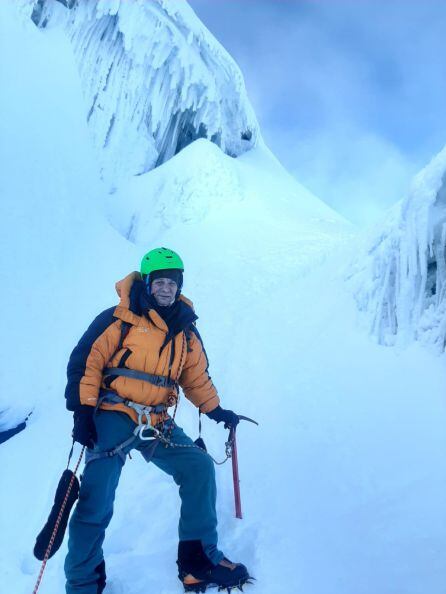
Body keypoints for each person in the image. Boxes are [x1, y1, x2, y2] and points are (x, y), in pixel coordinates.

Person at [64, 247, 250, 594]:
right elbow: (85, 363)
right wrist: (83, 411)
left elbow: (195, 378)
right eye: (159, 282)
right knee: (96, 499)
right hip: (113, 415)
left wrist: (215, 409)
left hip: (157, 421)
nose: (166, 288)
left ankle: (198, 563)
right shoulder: (117, 319)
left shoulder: (185, 331)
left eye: (172, 283)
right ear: (147, 284)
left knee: (198, 467)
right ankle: (82, 584)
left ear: (179, 286)